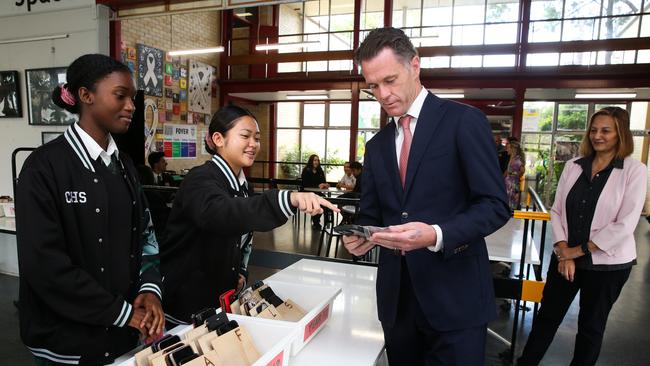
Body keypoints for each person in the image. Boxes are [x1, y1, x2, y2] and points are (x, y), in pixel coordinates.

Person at [342, 27, 510, 365]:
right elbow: (372, 214)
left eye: (390, 80)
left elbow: (494, 205)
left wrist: (436, 234)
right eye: (373, 86)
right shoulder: (376, 147)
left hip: (455, 301)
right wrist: (363, 236)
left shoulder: (463, 122)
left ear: (415, 65)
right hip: (397, 304)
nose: (383, 94)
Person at [15, 54, 164, 365]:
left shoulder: (124, 166)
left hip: (121, 335)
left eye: (132, 98)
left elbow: (146, 235)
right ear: (86, 95)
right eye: (120, 96)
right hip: (67, 343)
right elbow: (44, 265)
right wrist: (123, 313)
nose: (131, 107)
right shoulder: (43, 167)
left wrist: (149, 291)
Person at [160, 105, 338, 325]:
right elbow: (225, 214)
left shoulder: (244, 185)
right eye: (245, 136)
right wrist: (287, 199)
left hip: (219, 300)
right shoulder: (200, 180)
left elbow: (244, 237)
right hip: (186, 305)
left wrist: (241, 271)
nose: (253, 144)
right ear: (218, 139)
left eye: (257, 138)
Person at [517, 107, 646, 366]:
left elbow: (625, 223)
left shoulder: (634, 170)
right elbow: (557, 210)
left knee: (591, 327)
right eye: (594, 130)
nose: (598, 136)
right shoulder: (573, 166)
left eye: (606, 130)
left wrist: (575, 252)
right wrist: (563, 250)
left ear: (620, 134)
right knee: (547, 318)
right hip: (566, 257)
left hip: (608, 266)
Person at [301, 154, 329, 228]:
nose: (316, 162)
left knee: (326, 201)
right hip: (307, 193)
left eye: (317, 160)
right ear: (311, 161)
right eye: (314, 160)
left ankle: (325, 222)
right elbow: (305, 184)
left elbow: (323, 181)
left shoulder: (320, 170)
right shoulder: (306, 170)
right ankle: (316, 222)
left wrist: (325, 185)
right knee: (317, 201)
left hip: (317, 193)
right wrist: (317, 186)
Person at [504, 137, 525, 210]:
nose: (507, 149)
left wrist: (515, 176)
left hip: (513, 185)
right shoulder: (511, 158)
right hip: (508, 183)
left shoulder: (517, 159)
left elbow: (522, 170)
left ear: (513, 149)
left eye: (508, 148)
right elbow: (507, 170)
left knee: (512, 205)